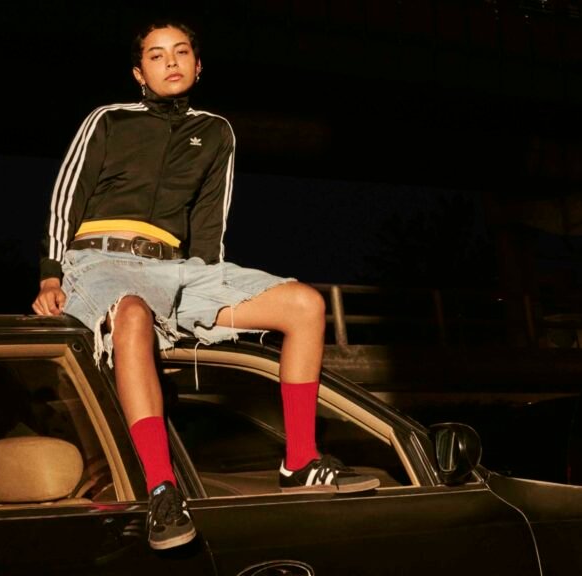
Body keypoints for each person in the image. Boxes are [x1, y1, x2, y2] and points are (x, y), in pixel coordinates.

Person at [32, 19, 379, 550]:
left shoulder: (216, 132)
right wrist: (50, 274)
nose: (170, 62)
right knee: (132, 314)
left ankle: (300, 461)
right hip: (99, 261)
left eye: (180, 52)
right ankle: (161, 490)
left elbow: (209, 224)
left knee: (305, 304)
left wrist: (199, 302)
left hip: (178, 267)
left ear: (198, 65)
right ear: (139, 73)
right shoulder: (109, 119)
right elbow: (66, 196)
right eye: (155, 55)